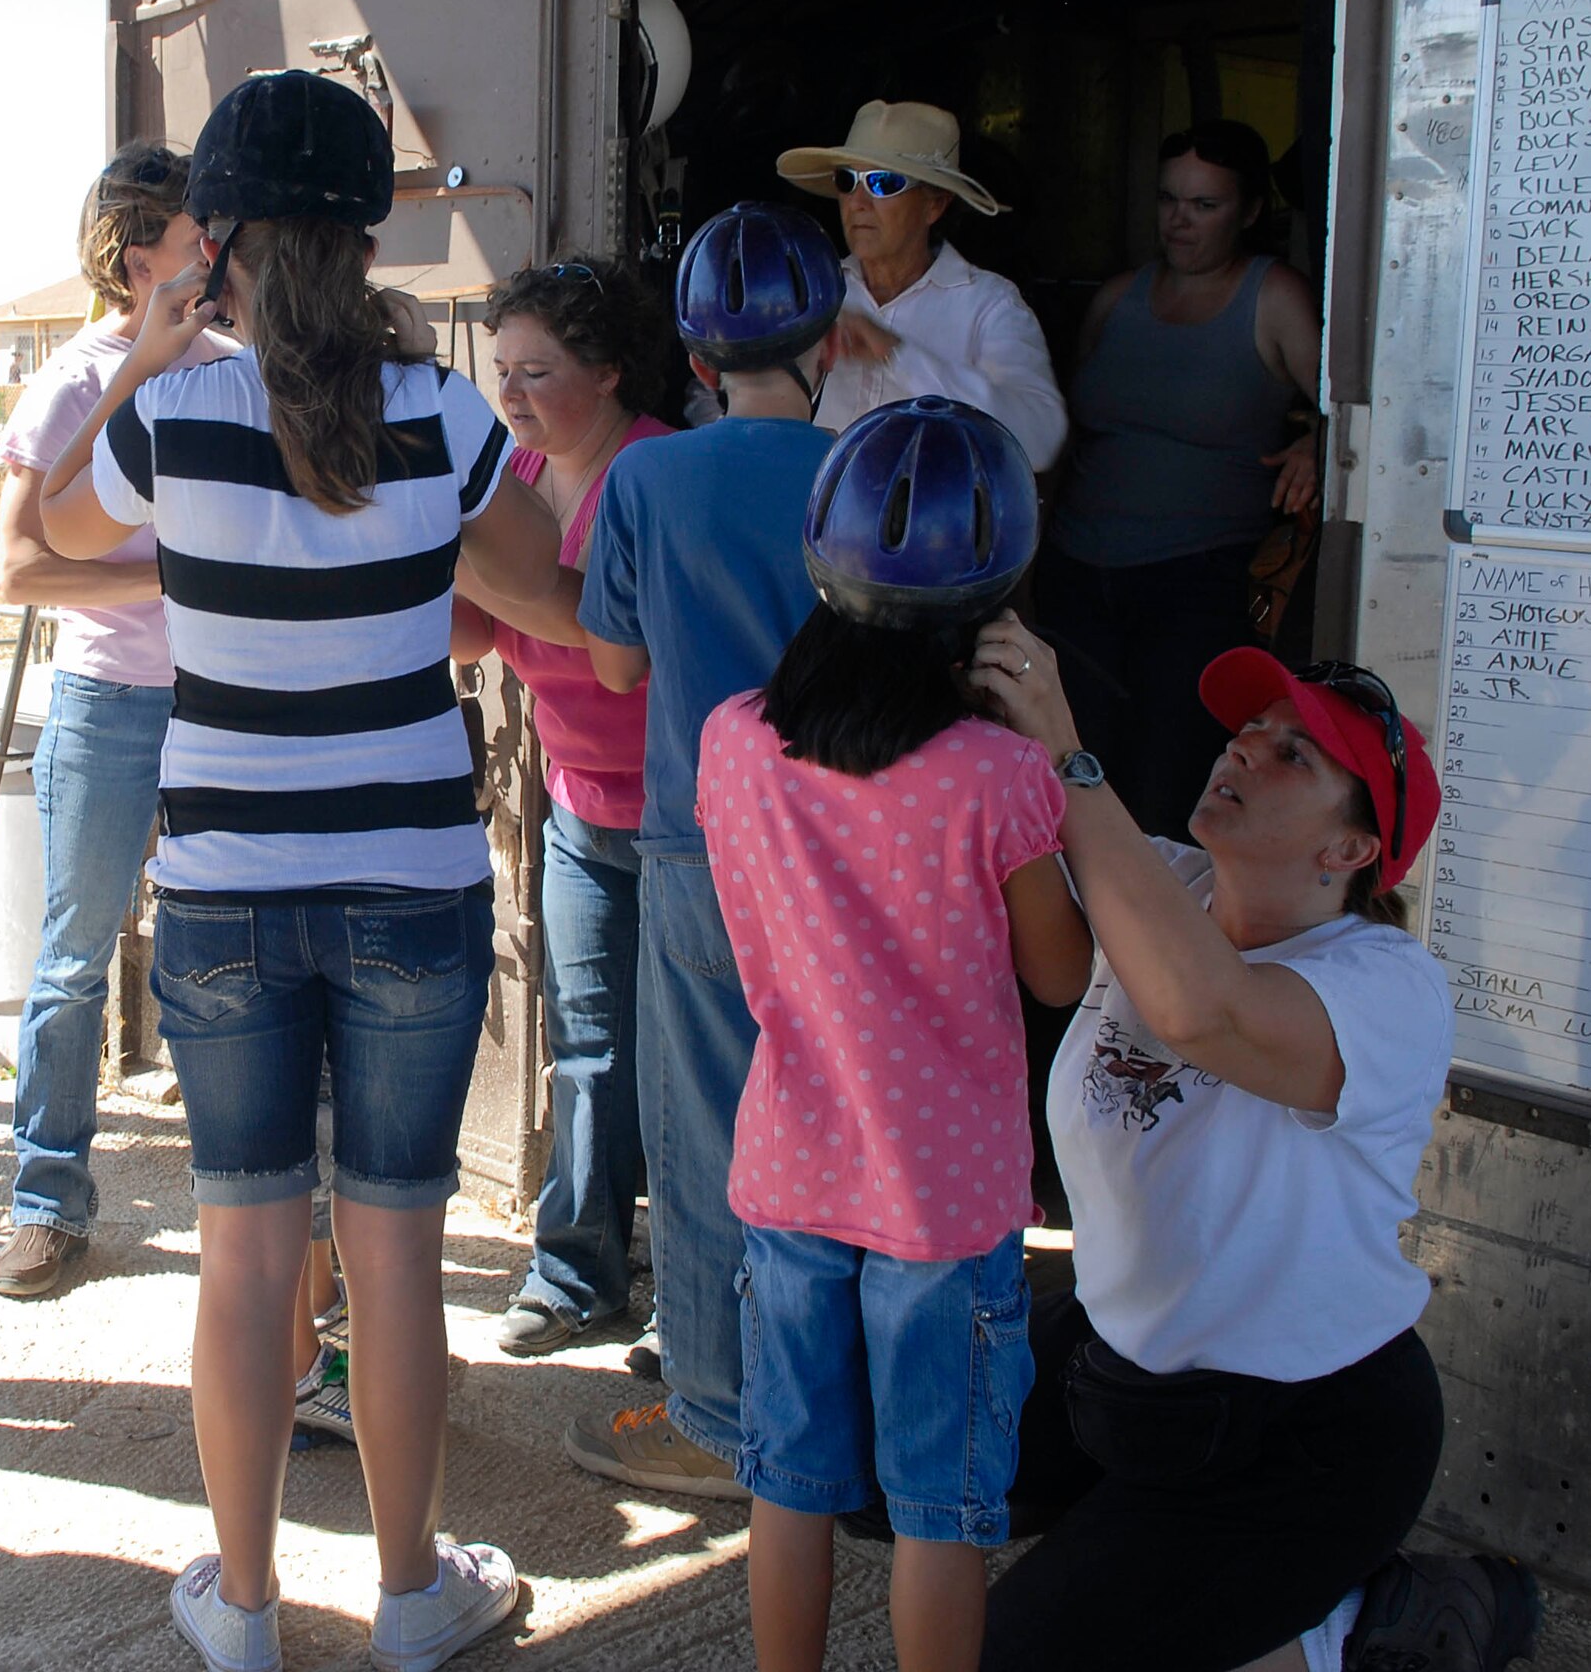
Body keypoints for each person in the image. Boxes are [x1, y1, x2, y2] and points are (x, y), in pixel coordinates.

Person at [39, 70, 560, 1672]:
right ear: (366, 236)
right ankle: (414, 1595)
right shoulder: (449, 415)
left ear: (226, 241)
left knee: (244, 1253)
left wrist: (143, 343)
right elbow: (550, 603)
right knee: (394, 1250)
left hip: (225, 889)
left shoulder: (180, 412)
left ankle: (247, 1611)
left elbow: (45, 532)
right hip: (411, 875)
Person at [957, 623, 1541, 1672]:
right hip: (1127, 1371)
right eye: (1250, 731)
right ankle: (1161, 1562)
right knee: (871, 1461)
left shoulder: (1386, 984)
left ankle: (1357, 1622)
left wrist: (1068, 753)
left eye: (1292, 756)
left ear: (1350, 850)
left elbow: (1200, 1010)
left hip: (1302, 1431)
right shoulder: (1164, 881)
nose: (1241, 749)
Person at [697, 397, 1094, 1672]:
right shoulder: (1001, 774)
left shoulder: (733, 742)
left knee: (791, 1481)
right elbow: (1058, 972)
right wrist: (1058, 748)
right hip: (945, 1194)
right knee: (940, 1507)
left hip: (789, 1167)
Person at [560, 202, 843, 1501]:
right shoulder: (865, 469)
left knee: (707, 1135)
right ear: (828, 339)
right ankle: (835, 1393)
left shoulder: (650, 478)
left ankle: (722, 1416)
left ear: (689, 349)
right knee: (846, 1123)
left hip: (700, 844)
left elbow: (613, 660)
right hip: (856, 848)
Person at [0, 142, 229, 1299]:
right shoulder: (70, 382)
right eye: (197, 235)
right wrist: (169, 581)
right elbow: (20, 571)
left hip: (224, 708)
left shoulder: (238, 366)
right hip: (107, 706)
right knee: (75, 957)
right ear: (143, 258)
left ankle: (241, 1204)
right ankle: (45, 1199)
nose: (217, 251)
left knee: (218, 953)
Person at [448, 257, 673, 1356]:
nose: (513, 394)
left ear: (612, 368)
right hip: (583, 804)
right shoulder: (519, 476)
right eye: (502, 370)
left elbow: (623, 647)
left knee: (683, 1053)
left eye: (539, 370)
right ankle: (576, 1271)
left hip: (690, 814)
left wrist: (491, 567)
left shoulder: (661, 470)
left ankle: (690, 1292)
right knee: (586, 1044)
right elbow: (472, 636)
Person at [1035, 117, 1323, 841]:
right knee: (1069, 775)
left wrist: (1320, 444)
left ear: (1250, 211)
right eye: (1169, 200)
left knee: (1164, 782)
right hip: (1078, 571)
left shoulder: (1273, 296)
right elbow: (1062, 432)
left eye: (1204, 205)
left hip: (1198, 578)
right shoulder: (1117, 298)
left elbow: (1357, 409)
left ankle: (1151, 945)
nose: (1178, 221)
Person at [776, 99, 1067, 473]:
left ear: (935, 206)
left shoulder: (990, 304)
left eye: (883, 182)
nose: (858, 203)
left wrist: (897, 354)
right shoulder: (810, 289)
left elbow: (1039, 437)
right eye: (847, 180)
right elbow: (716, 390)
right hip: (803, 525)